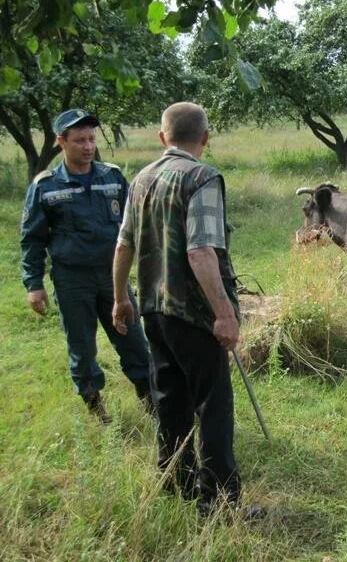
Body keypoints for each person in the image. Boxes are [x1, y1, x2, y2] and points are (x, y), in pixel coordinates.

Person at [112, 102, 253, 515]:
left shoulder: (141, 178)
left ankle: (177, 482)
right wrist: (224, 313)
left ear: (163, 138)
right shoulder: (202, 177)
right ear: (205, 139)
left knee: (170, 398)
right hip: (193, 314)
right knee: (213, 403)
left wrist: (122, 298)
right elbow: (200, 251)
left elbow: (124, 245)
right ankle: (221, 502)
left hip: (154, 310)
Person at [20, 108, 152, 423]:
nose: (88, 146)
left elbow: (135, 225)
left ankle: (151, 400)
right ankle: (97, 411)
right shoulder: (46, 186)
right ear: (61, 142)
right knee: (82, 349)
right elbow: (32, 238)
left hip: (113, 276)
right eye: (80, 140)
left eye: (92, 139)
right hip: (72, 280)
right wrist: (34, 284)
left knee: (134, 339)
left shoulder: (112, 177)